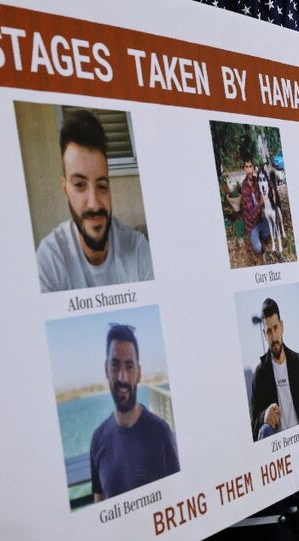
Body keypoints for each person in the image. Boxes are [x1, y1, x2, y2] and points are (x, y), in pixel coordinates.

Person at [36, 110, 154, 293]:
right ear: (65, 188)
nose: (95, 204)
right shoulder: (50, 259)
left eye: (102, 185)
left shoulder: (138, 248)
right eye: (80, 185)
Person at [91, 324, 180, 502]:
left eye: (129, 366)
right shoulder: (97, 440)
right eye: (115, 366)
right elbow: (99, 502)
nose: (122, 377)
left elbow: (178, 500)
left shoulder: (161, 433)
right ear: (106, 369)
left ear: (139, 373)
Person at [250, 298, 299, 441]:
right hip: (279, 448)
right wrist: (264, 416)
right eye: (269, 331)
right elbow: (252, 427)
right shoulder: (260, 374)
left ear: (282, 326)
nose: (274, 337)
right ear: (264, 334)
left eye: (275, 328)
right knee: (265, 429)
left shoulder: (297, 362)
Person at [240, 157, 271, 256]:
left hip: (260, 219)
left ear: (253, 168)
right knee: (258, 249)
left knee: (267, 233)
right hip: (252, 225)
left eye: (250, 166)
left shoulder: (257, 181)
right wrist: (261, 202)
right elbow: (253, 214)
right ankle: (255, 237)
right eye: (247, 167)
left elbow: (267, 184)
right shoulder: (244, 188)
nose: (249, 169)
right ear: (244, 169)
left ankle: (261, 235)